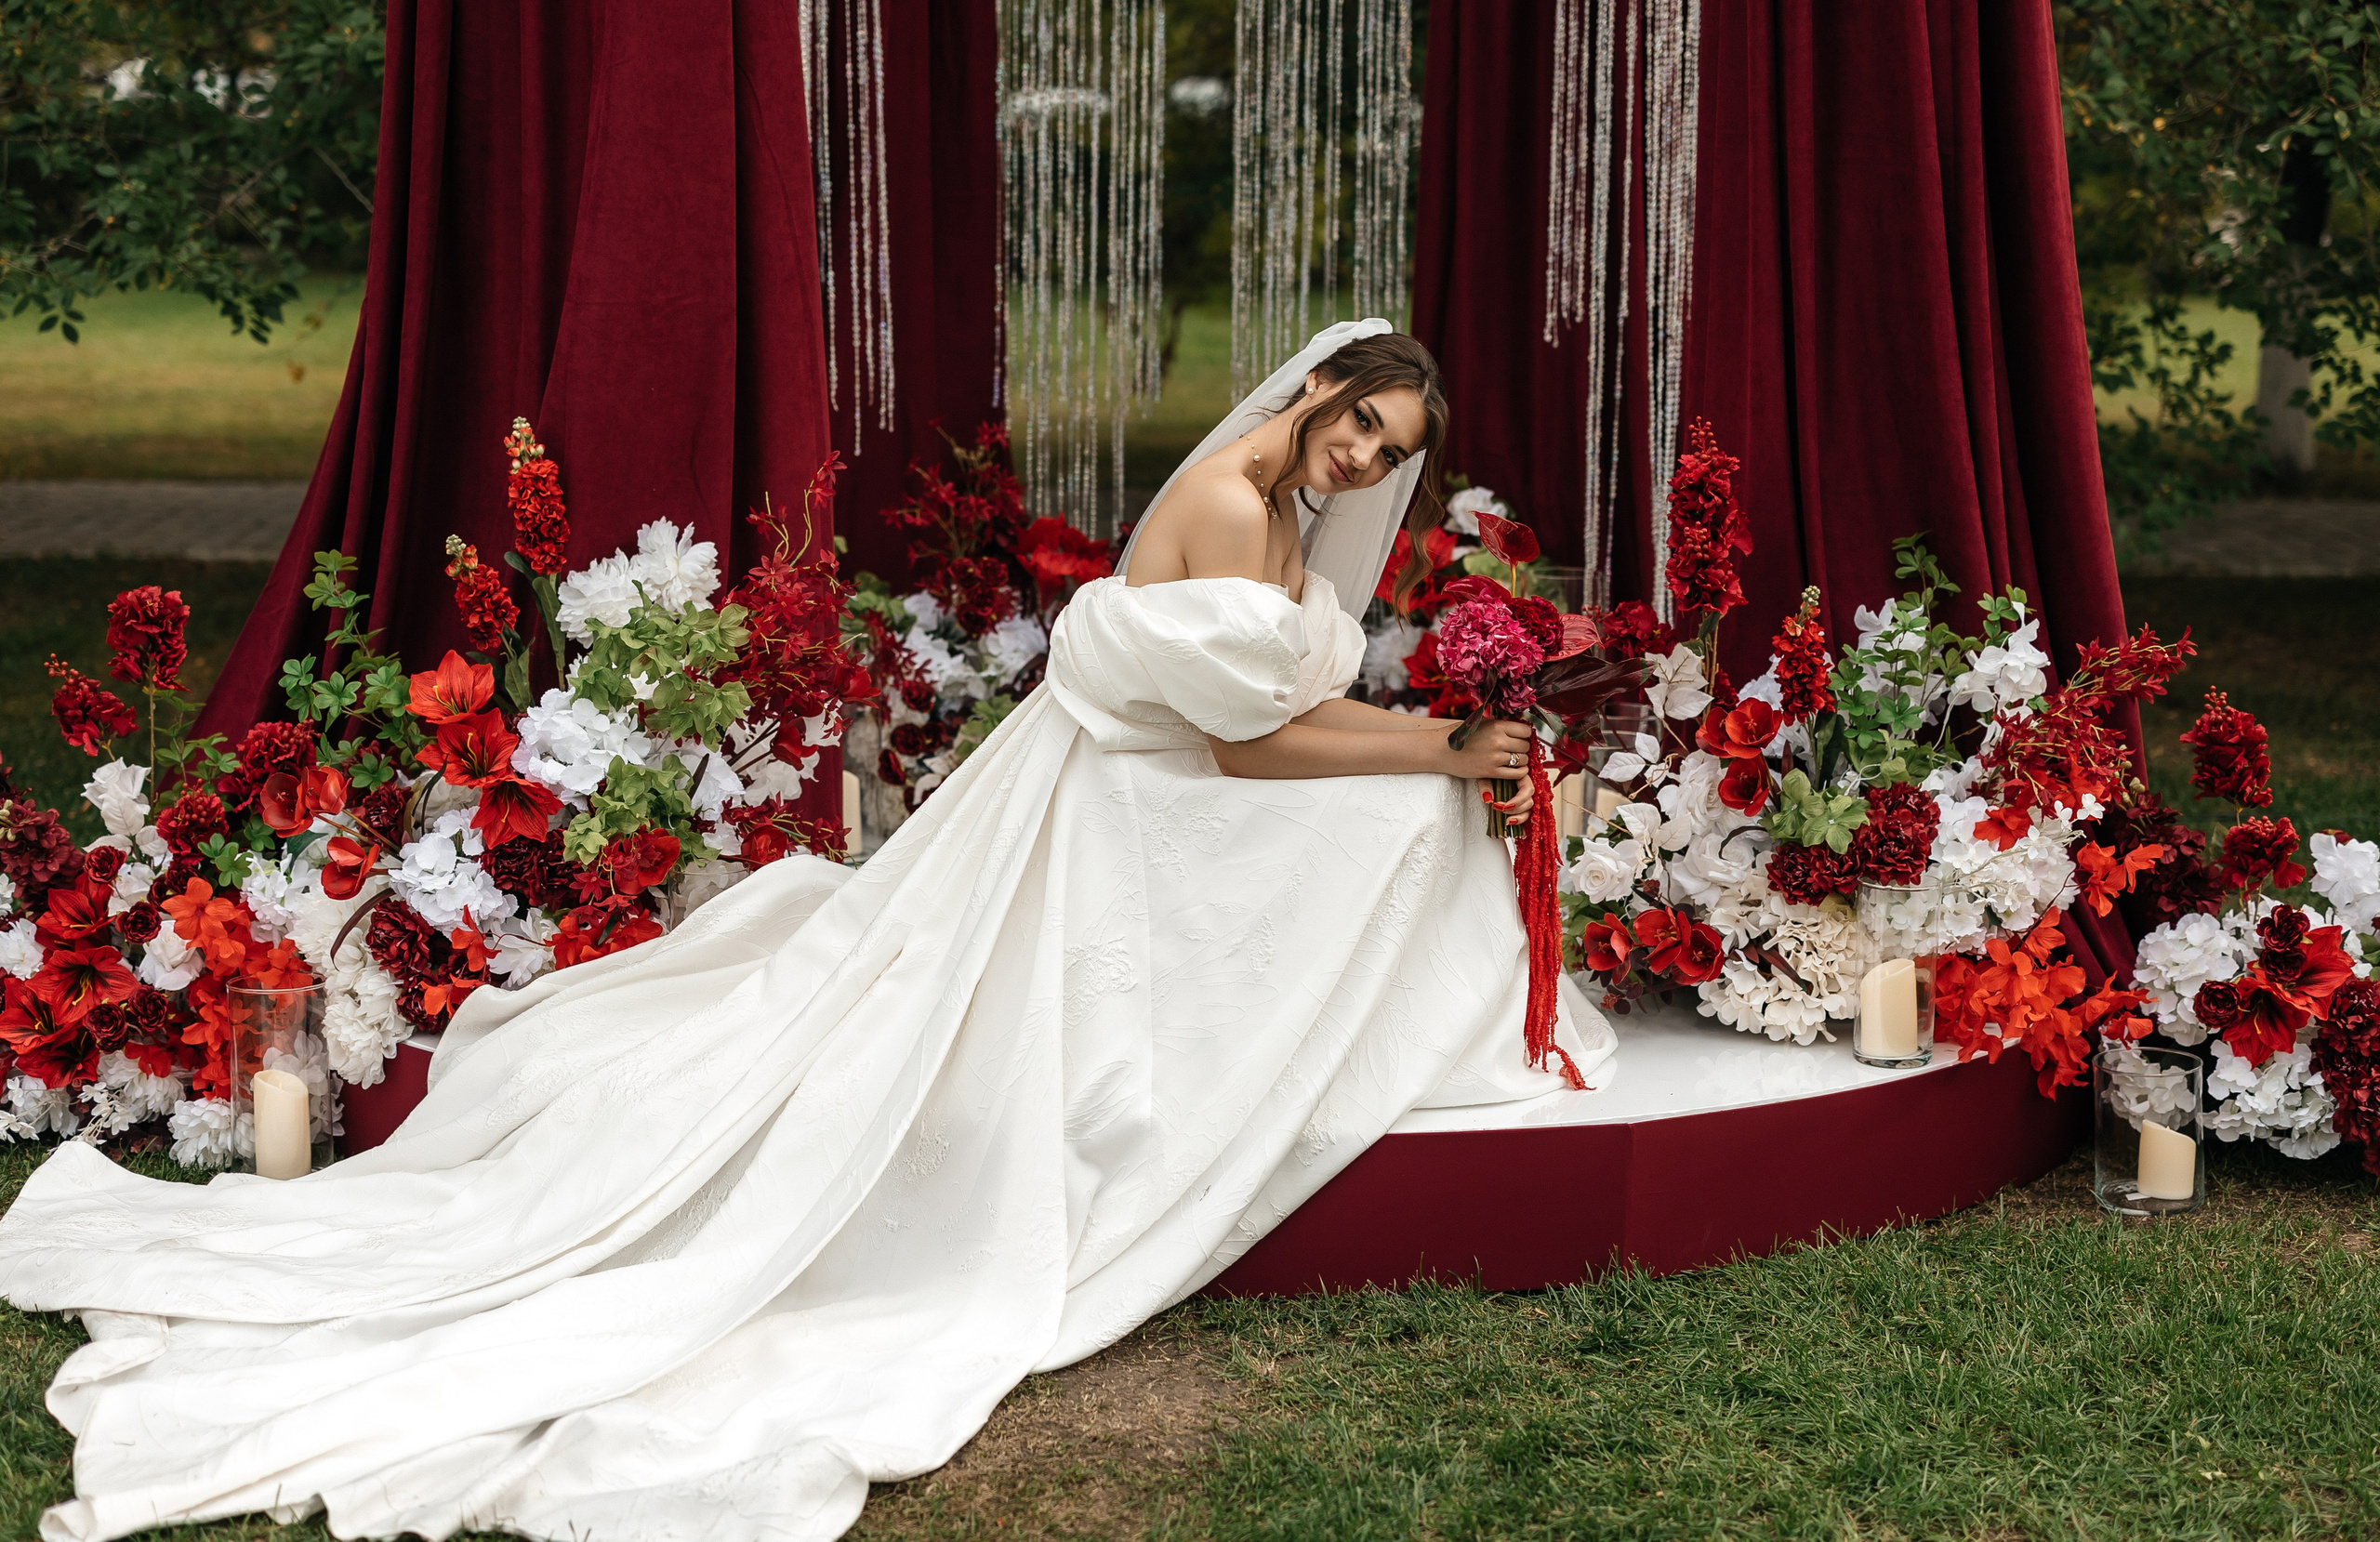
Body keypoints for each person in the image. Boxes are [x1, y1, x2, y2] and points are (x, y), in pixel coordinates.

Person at [0, 321, 1617, 1542]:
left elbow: (1285, 706)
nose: (1361, 467)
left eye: (1387, 453)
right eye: (1358, 430)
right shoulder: (1212, 503)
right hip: (1107, 809)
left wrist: (1437, 736)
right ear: (1316, 399)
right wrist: (1434, 743)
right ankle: (1333, 1043)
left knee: (1421, 800)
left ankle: (1410, 1037)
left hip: (1172, 789)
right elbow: (1258, 744)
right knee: (1414, 801)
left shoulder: (1294, 520)